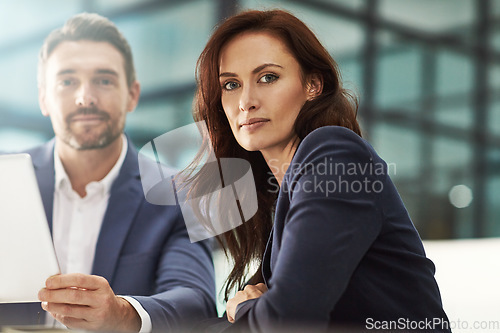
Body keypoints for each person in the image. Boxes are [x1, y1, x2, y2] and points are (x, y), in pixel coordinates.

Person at [189, 9, 451, 332]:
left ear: (313, 84)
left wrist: (248, 307)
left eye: (267, 77)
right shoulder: (287, 191)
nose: (245, 101)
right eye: (230, 84)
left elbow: (289, 318)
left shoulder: (335, 155)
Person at [0, 13, 216, 332]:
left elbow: (196, 299)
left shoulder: (179, 192)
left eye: (104, 80)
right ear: (44, 97)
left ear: (132, 94)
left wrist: (122, 313)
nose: (85, 97)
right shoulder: (6, 180)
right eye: (67, 81)